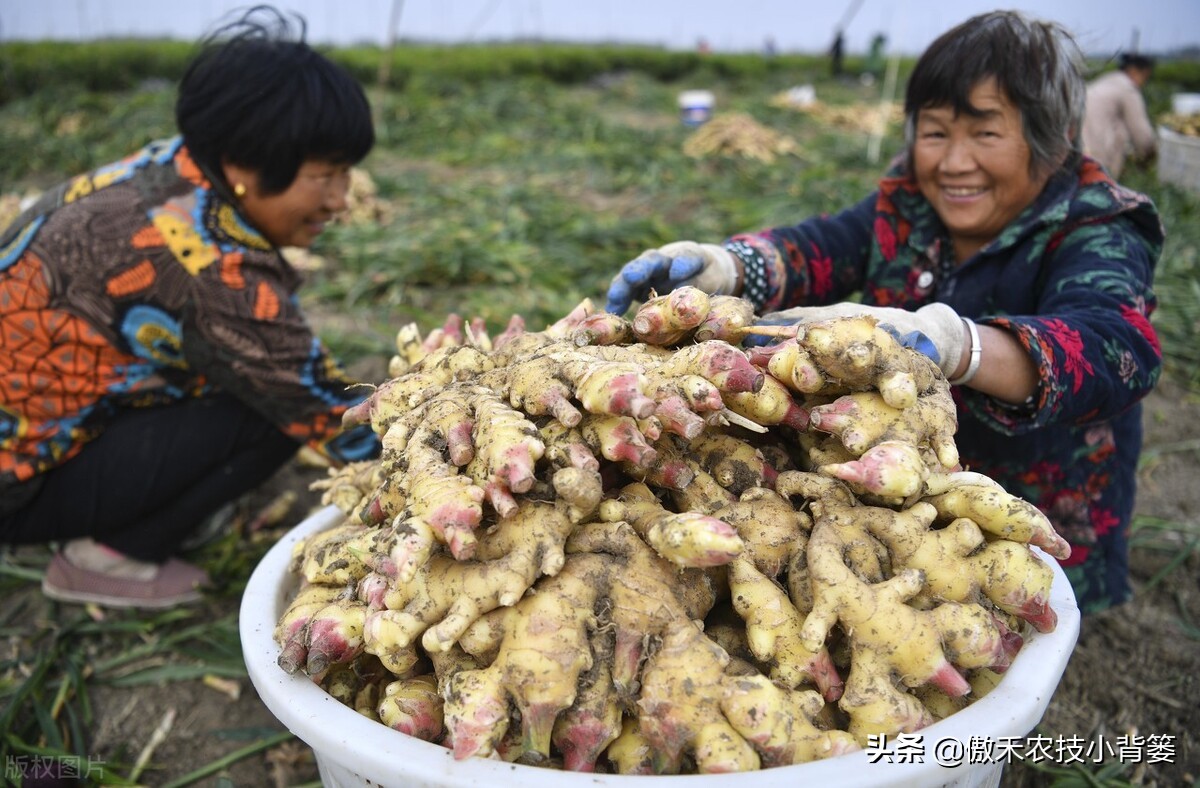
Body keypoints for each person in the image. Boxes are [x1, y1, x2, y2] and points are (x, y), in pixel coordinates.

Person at [604, 11, 1164, 614]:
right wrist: (727, 267)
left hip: (1042, 491)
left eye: (986, 134)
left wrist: (955, 344)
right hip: (902, 481)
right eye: (935, 132)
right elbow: (820, 246)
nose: (953, 162)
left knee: (1037, 618)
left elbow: (1117, 347)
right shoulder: (906, 206)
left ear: (1049, 140)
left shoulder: (1097, 224)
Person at [0, 6, 381, 609]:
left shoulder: (170, 167)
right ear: (242, 166)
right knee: (271, 413)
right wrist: (433, 453)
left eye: (345, 174)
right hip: (18, 480)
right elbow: (320, 407)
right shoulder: (209, 268)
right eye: (325, 175)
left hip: (41, 411)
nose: (339, 200)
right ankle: (109, 558)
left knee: (251, 373)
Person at [1082, 53, 1158, 179]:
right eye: (1144, 76)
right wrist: (1150, 155)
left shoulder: (1106, 80)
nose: (1144, 82)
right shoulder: (1128, 88)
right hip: (1097, 156)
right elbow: (1141, 133)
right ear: (1134, 71)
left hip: (1076, 149)